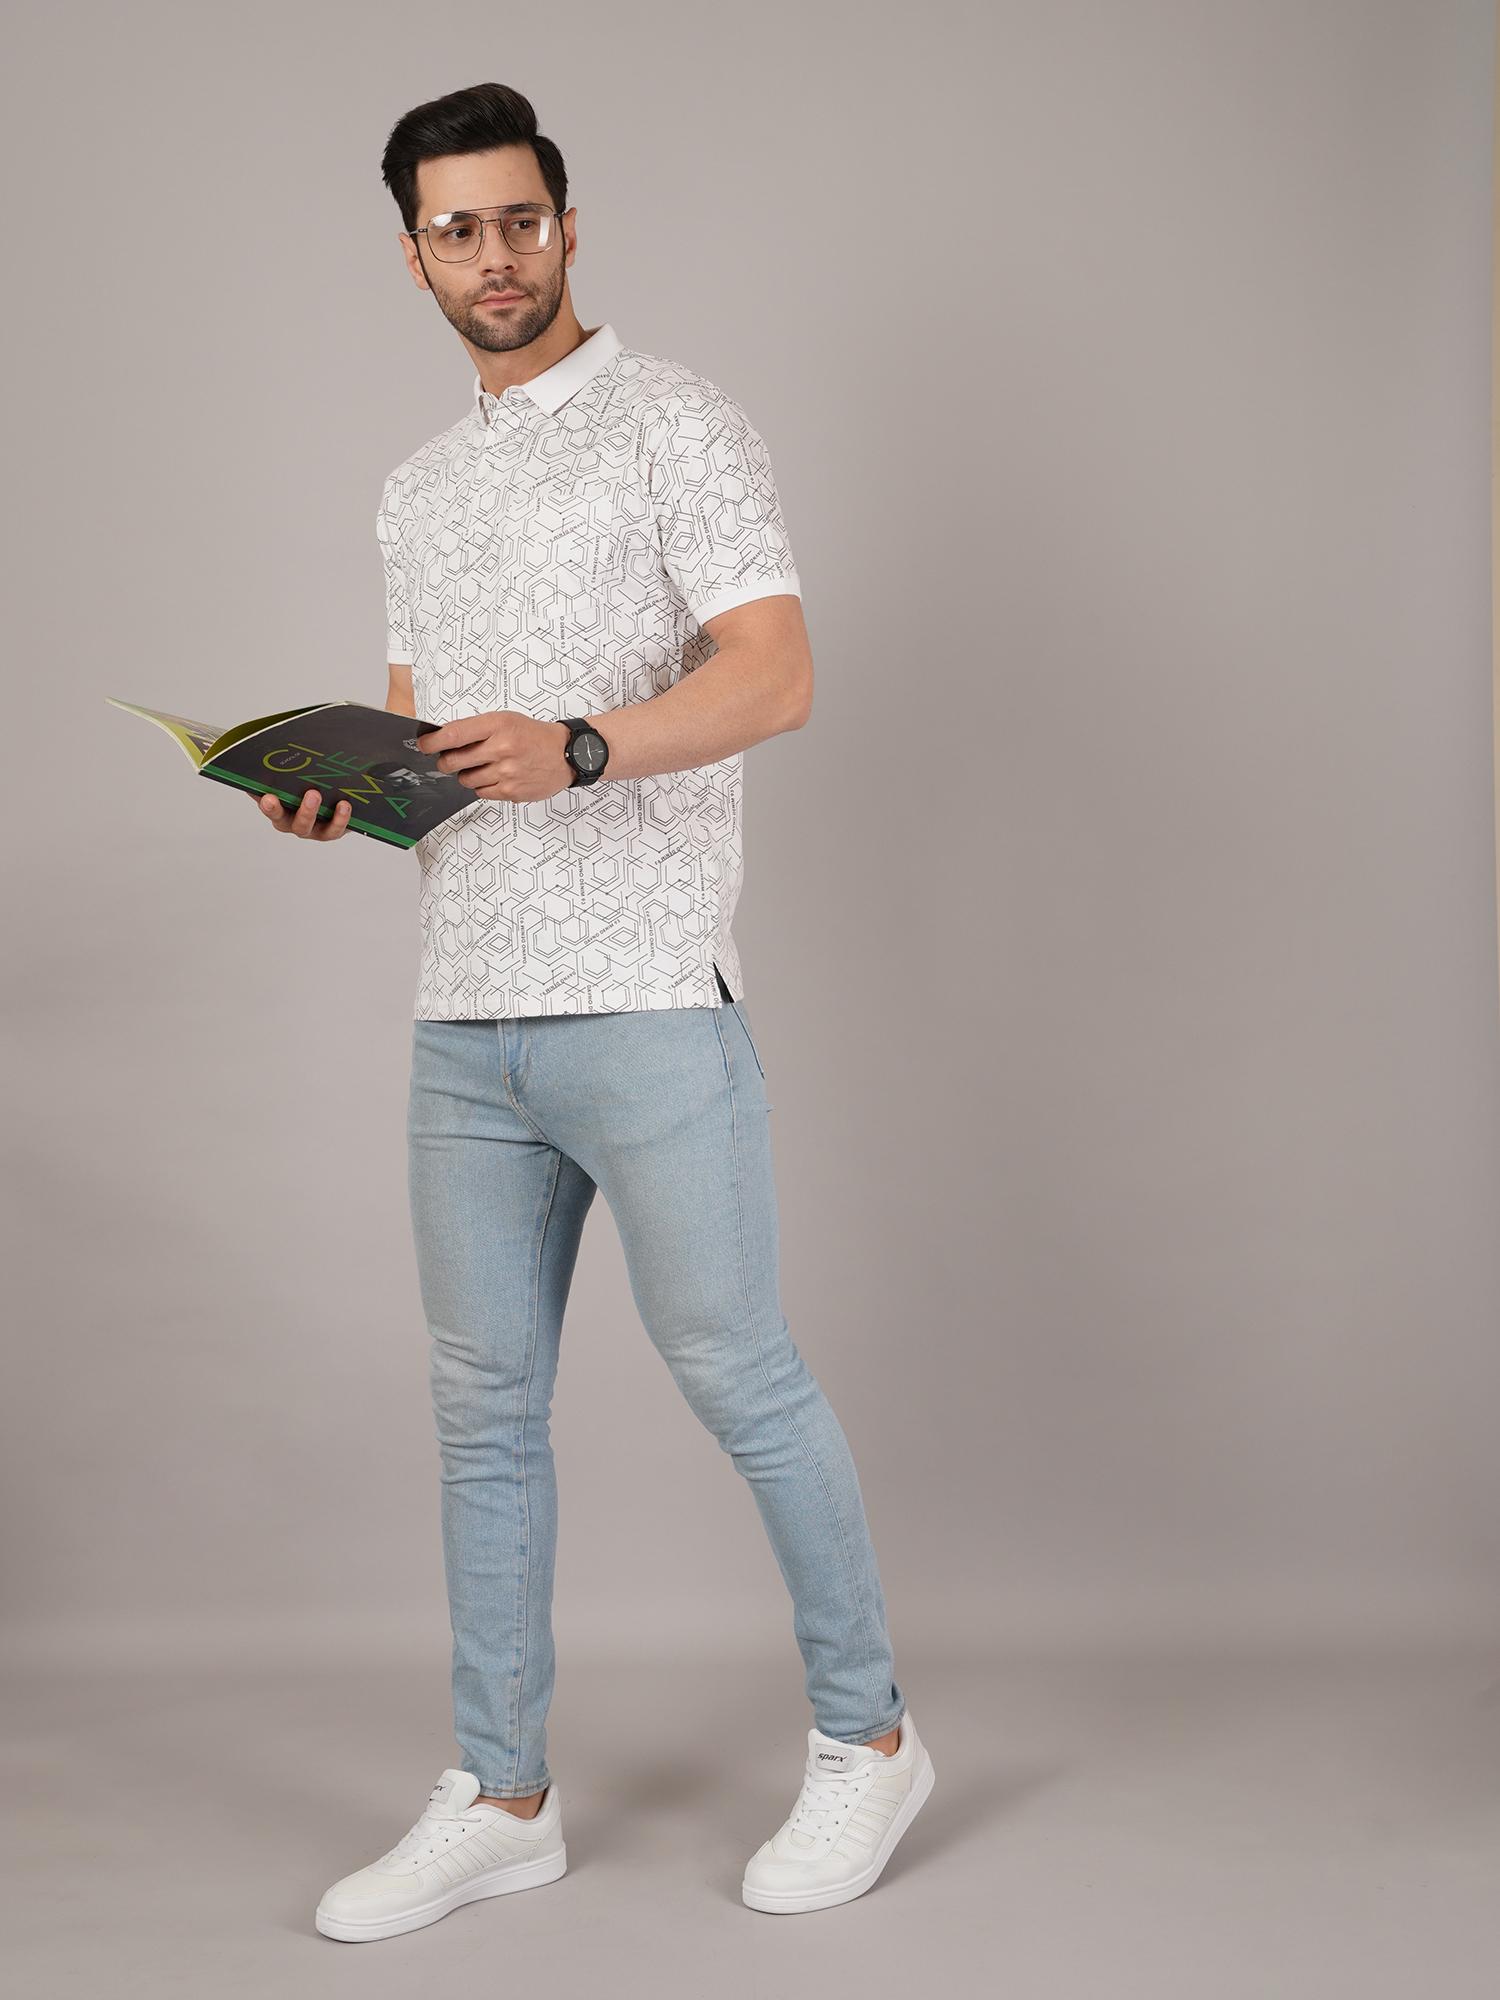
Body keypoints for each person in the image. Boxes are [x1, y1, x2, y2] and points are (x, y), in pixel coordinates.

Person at [260, 82, 934, 1939]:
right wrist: (345, 797)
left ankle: (871, 1740)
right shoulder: (416, 487)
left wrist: (580, 746)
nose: (494, 256)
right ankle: (504, 1792)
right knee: (482, 1412)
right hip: (464, 1014)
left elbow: (776, 676)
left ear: (567, 226)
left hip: (646, 995)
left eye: (520, 219)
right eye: (455, 230)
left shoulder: (680, 424)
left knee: (739, 1373)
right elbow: (433, 756)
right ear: (413, 256)